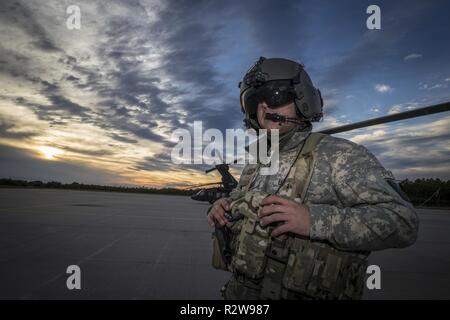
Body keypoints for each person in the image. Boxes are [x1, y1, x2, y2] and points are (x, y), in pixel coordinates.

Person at [207, 57, 419, 300]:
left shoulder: (339, 155)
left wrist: (315, 220)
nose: (265, 108)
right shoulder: (257, 160)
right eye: (255, 102)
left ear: (302, 99)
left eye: (275, 96)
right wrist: (223, 207)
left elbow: (404, 223)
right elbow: (238, 198)